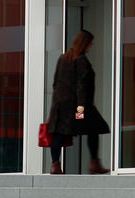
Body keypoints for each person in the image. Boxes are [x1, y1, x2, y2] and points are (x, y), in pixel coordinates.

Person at [46, 29, 110, 175]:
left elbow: (55, 83)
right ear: (84, 44)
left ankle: (55, 166)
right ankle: (94, 163)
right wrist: (80, 108)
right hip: (78, 106)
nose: (91, 46)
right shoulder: (81, 61)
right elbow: (82, 85)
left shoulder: (63, 58)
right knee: (94, 128)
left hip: (60, 105)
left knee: (58, 133)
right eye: (90, 44)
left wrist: (57, 103)